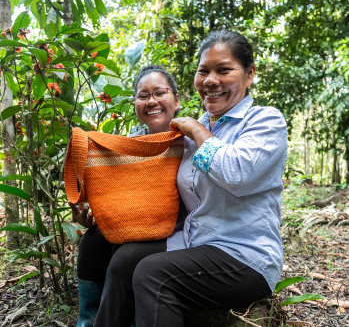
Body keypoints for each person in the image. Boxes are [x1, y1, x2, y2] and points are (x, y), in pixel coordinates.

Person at [128, 30, 288, 327]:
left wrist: (199, 133)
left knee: (152, 273)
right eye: (204, 71)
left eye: (224, 70)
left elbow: (236, 174)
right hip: (195, 242)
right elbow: (156, 176)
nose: (211, 80)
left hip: (244, 256)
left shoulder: (265, 121)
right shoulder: (193, 127)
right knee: (125, 257)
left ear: (249, 73)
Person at [68, 65, 186, 327]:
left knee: (125, 256)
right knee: (92, 241)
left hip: (178, 230)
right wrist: (96, 215)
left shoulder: (191, 140)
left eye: (159, 93)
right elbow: (118, 196)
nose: (151, 101)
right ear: (135, 103)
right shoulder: (126, 145)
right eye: (142, 96)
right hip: (139, 224)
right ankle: (87, 320)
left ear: (177, 100)